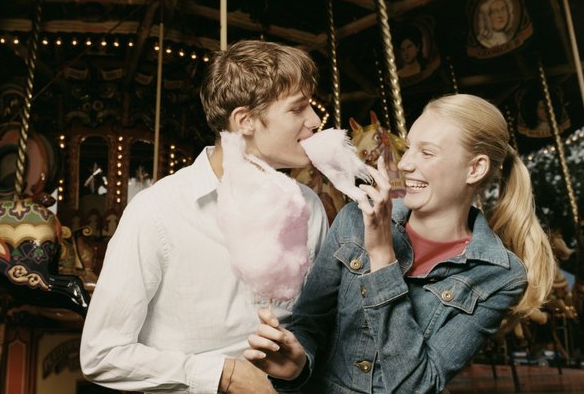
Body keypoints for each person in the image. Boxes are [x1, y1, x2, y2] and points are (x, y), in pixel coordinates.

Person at [244, 94, 557, 393]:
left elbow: (415, 386)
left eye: (427, 152)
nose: (404, 163)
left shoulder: (498, 274)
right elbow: (310, 324)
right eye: (409, 148)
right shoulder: (355, 217)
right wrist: (297, 363)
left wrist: (382, 256)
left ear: (475, 168)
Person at [79, 40, 329, 394]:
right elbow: (101, 354)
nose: (315, 121)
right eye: (297, 109)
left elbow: (318, 325)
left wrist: (300, 364)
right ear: (245, 121)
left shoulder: (308, 207)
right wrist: (222, 375)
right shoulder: (157, 212)